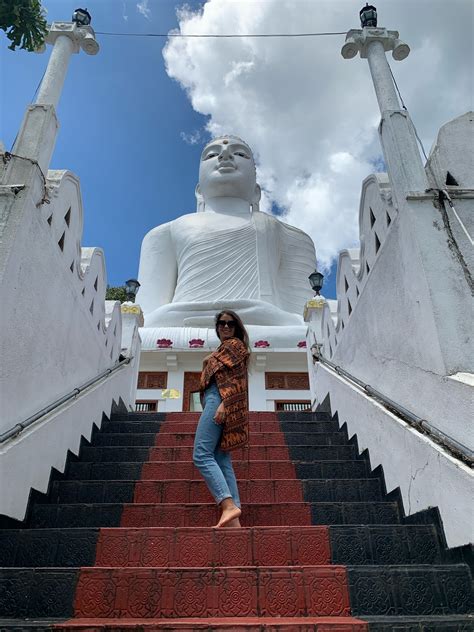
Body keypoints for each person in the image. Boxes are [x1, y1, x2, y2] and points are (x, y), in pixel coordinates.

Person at [193, 309, 250, 528]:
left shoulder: (234, 346)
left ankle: (227, 505)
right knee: (221, 458)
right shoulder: (221, 350)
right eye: (221, 323)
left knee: (201, 454)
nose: (225, 327)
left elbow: (238, 379)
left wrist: (225, 404)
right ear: (217, 328)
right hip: (214, 399)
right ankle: (234, 520)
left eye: (230, 323)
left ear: (237, 328)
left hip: (221, 398)